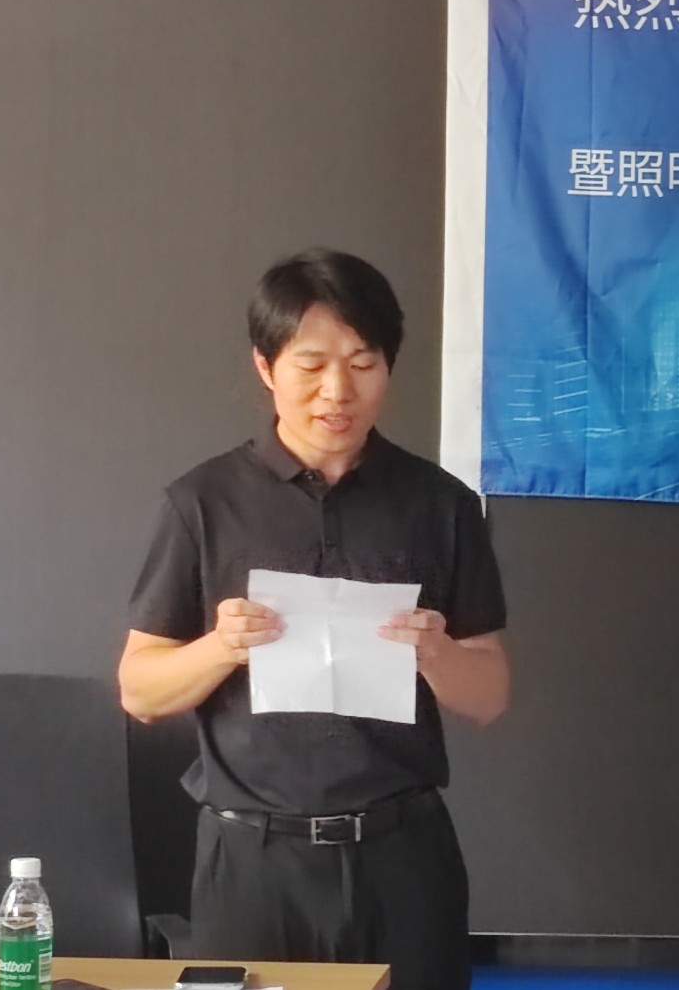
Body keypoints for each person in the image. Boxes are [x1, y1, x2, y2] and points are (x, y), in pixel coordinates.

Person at [118, 248, 508, 990]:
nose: (338, 391)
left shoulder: (441, 506)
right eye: (312, 365)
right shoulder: (202, 503)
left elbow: (489, 695)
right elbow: (139, 691)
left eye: (362, 364)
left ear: (388, 368)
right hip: (252, 861)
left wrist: (437, 653)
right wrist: (222, 647)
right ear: (266, 367)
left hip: (403, 857)